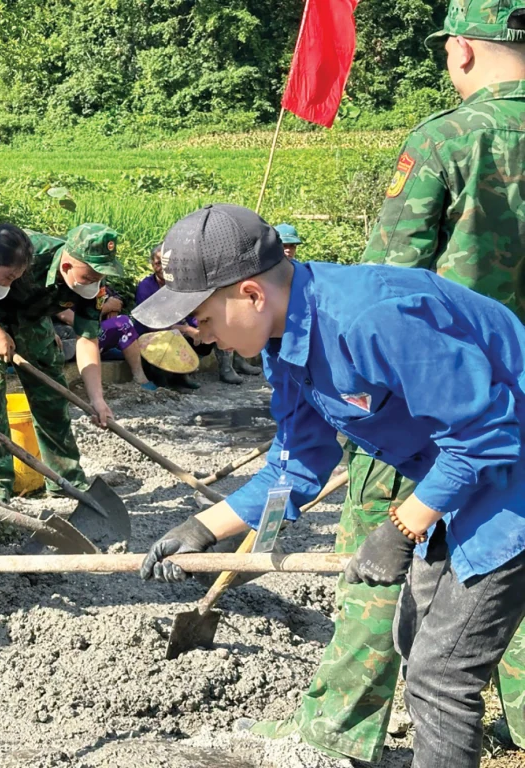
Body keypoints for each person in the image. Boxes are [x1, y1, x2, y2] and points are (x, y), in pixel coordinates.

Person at [136, 203, 525, 768]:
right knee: (415, 646)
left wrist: (400, 528)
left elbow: (487, 435)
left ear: (250, 293)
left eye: (201, 317)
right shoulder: (284, 346)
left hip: (507, 481)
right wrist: (202, 528)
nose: (199, 335)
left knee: (441, 679)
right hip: (461, 479)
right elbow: (295, 463)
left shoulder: (370, 318)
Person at [250, 1, 525, 760]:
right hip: (513, 391)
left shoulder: (449, 140)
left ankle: (339, 729)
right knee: (507, 560)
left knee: (382, 560)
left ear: (462, 50)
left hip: (433, 400)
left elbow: (387, 284)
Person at [0, 223, 122, 504]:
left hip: (34, 323)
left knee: (53, 400)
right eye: (91, 274)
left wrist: (97, 399)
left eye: (101, 275)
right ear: (68, 264)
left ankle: (65, 480)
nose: (96, 280)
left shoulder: (92, 287)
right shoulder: (23, 250)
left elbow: (87, 339)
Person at [134, 244, 212, 390]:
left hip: (176, 331)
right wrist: (186, 329)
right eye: (158, 263)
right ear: (152, 265)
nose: (163, 267)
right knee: (168, 338)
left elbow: (191, 312)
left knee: (206, 335)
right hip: (151, 334)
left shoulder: (180, 285)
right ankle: (163, 381)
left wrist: (198, 327)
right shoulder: (145, 287)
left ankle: (183, 374)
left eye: (166, 263)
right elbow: (152, 323)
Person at [54, 284, 156, 390]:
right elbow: (71, 319)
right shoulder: (56, 289)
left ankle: (107, 351)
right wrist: (107, 307)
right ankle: (140, 379)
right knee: (123, 323)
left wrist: (114, 305)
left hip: (91, 333)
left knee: (124, 332)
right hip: (73, 340)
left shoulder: (88, 284)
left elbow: (114, 296)